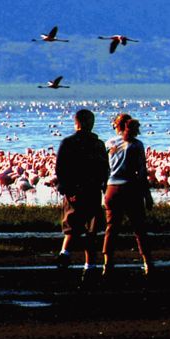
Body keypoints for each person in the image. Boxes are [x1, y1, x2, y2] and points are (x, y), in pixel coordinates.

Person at [54, 108, 110, 281]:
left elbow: (60, 168)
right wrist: (103, 187)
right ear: (90, 123)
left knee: (72, 226)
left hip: (76, 191)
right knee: (90, 230)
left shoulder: (68, 143)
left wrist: (66, 190)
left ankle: (65, 254)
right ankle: (89, 266)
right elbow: (104, 169)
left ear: (75, 123)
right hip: (91, 191)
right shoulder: (97, 144)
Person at [103, 113, 154, 277]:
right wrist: (147, 195)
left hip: (112, 189)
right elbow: (142, 172)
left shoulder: (109, 143)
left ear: (117, 126)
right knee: (139, 227)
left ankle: (108, 264)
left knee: (111, 228)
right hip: (131, 188)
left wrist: (105, 190)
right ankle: (147, 262)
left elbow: (104, 169)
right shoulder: (137, 145)